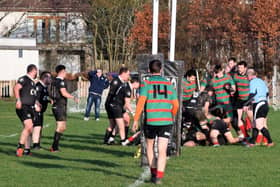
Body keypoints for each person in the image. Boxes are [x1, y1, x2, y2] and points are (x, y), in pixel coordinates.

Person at [132, 60, 179, 184]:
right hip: (165, 121)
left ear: (149, 70)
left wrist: (136, 119)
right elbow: (176, 105)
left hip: (151, 120)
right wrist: (171, 115)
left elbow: (141, 103)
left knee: (150, 147)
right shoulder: (169, 84)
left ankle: (153, 172)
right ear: (161, 70)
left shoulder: (146, 83)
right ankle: (159, 176)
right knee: (162, 149)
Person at [50, 65, 79, 152]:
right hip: (59, 106)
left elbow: (51, 92)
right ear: (62, 71)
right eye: (65, 71)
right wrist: (73, 97)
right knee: (60, 126)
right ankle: (54, 147)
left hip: (59, 105)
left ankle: (55, 146)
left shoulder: (53, 81)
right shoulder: (60, 81)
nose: (66, 73)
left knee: (63, 127)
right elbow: (63, 93)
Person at [14, 64, 39, 157]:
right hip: (23, 106)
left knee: (29, 129)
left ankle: (27, 150)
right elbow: (16, 88)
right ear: (33, 70)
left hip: (31, 107)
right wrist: (18, 100)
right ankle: (19, 147)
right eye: (36, 71)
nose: (37, 73)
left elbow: (32, 95)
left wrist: (37, 103)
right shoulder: (24, 79)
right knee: (29, 126)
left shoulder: (33, 82)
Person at [245, 68, 274, 147]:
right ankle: (252, 142)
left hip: (259, 104)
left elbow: (252, 94)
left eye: (247, 76)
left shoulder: (252, 82)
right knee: (254, 124)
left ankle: (270, 142)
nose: (247, 78)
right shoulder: (261, 81)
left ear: (249, 75)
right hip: (264, 103)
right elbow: (267, 93)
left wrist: (246, 104)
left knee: (259, 126)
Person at [103, 67, 131, 145]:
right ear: (123, 73)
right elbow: (111, 95)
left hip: (118, 105)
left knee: (122, 121)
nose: (128, 76)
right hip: (113, 105)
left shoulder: (123, 82)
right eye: (128, 74)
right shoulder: (115, 81)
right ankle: (123, 140)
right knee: (117, 123)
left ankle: (110, 139)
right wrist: (112, 106)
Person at [32, 71, 52, 149]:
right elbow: (34, 97)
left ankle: (37, 143)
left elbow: (44, 97)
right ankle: (35, 145)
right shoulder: (38, 86)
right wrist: (36, 105)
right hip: (36, 110)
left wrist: (50, 100)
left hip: (41, 111)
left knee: (39, 127)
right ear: (44, 78)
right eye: (49, 77)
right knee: (37, 127)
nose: (50, 79)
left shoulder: (44, 87)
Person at [233, 61, 253, 139]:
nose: (239, 69)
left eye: (241, 67)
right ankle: (246, 137)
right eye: (238, 67)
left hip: (248, 100)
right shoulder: (236, 76)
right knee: (239, 121)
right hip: (239, 100)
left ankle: (257, 135)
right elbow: (233, 86)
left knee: (251, 118)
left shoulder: (248, 77)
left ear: (245, 68)